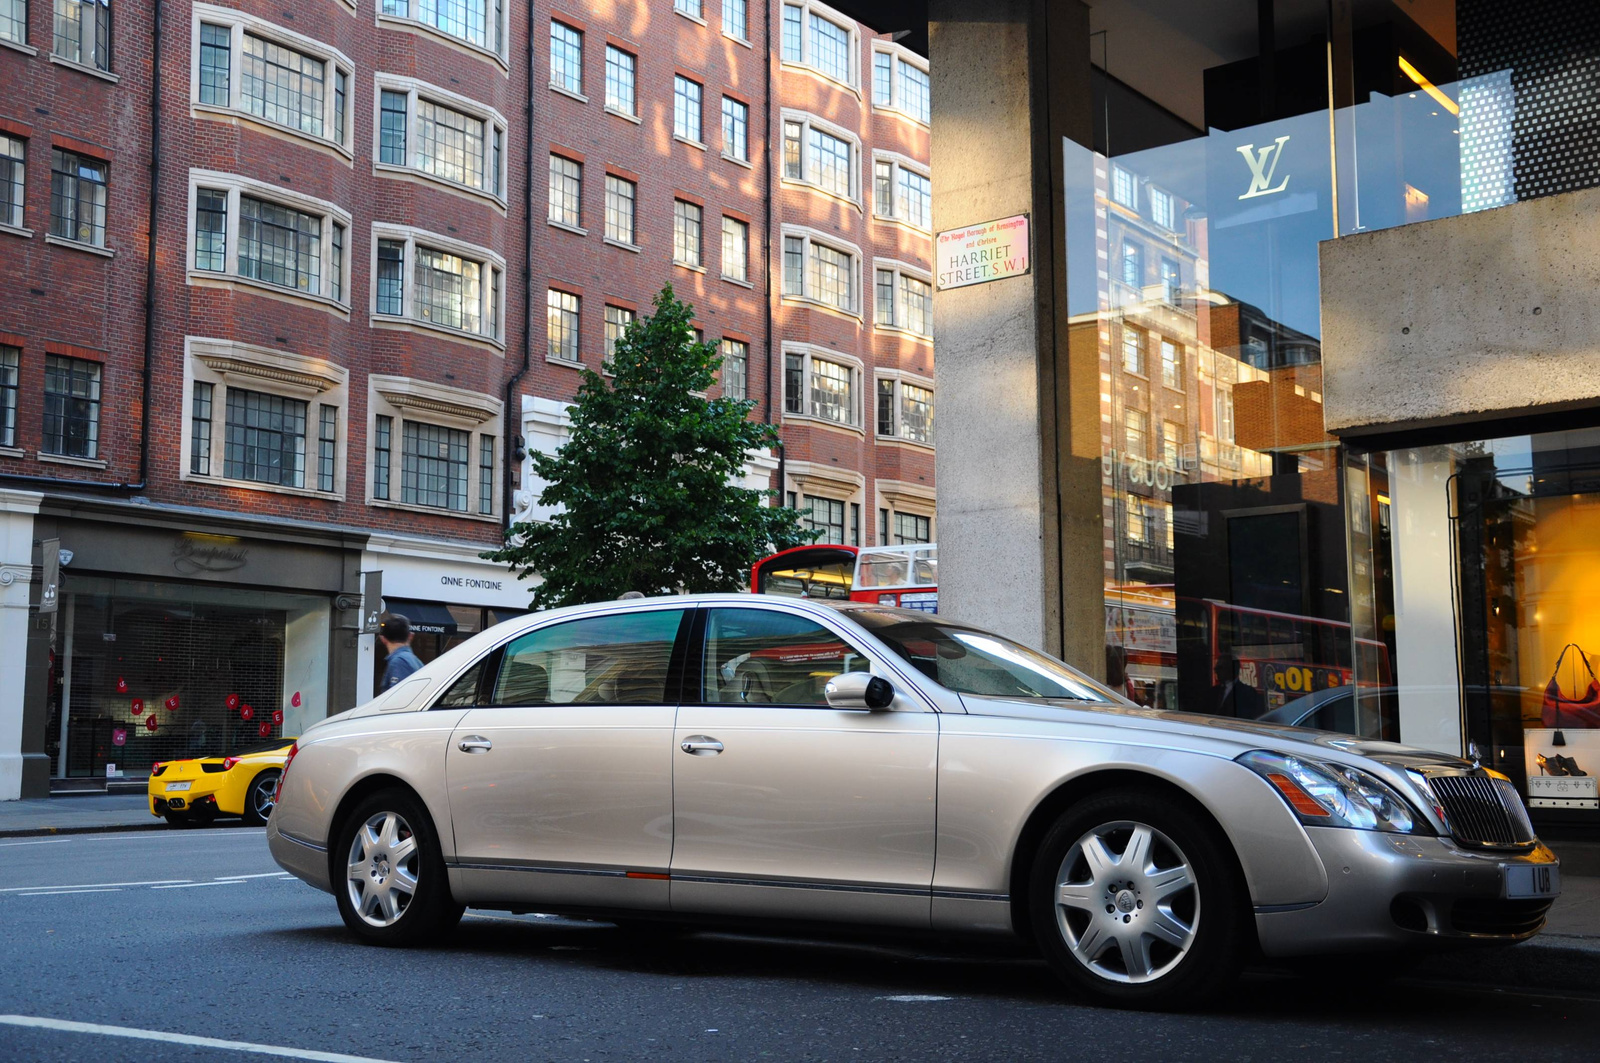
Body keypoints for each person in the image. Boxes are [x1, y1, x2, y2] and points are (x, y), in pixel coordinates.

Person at [1211, 654, 1266, 718]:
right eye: (1216, 667)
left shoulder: (1248, 693)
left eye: (1220, 667)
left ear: (1231, 669)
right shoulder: (1212, 692)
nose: (1216, 670)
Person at [379, 613, 424, 691]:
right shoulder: (415, 661)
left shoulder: (399, 662)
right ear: (411, 636)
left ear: (383, 639)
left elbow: (397, 698)